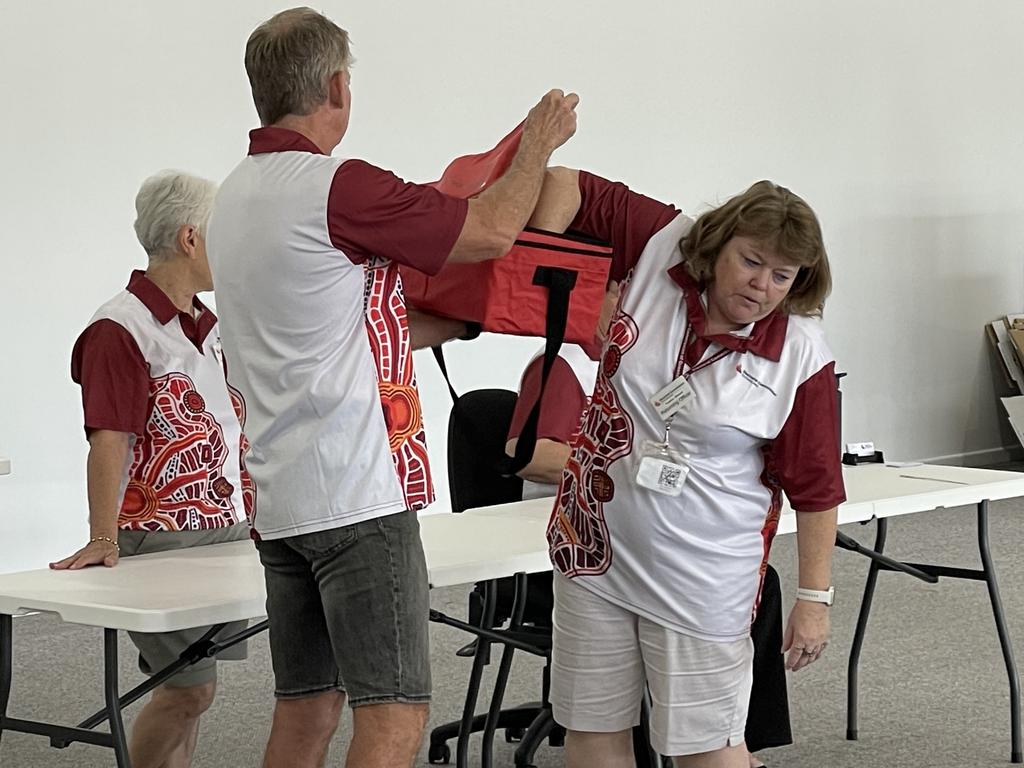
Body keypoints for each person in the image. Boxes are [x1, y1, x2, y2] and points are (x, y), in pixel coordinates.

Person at [204, 8, 579, 768]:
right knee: (396, 715)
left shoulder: (234, 199)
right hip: (357, 498)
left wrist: (467, 324)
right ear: (337, 86)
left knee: (306, 708)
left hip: (283, 498)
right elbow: (490, 230)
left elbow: (337, 329)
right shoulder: (337, 186)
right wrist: (536, 144)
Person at [531, 167, 845, 768]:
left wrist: (814, 598)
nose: (761, 286)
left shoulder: (800, 356)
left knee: (707, 748)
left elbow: (817, 489)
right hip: (593, 548)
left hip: (702, 575)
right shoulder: (661, 245)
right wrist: (574, 288)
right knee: (591, 730)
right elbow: (559, 182)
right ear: (718, 242)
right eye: (751, 261)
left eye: (782, 276)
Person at [505, 347, 792, 768]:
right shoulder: (569, 364)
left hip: (656, 539)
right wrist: (621, 465)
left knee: (760, 582)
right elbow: (528, 453)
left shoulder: (669, 356)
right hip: (581, 546)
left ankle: (739, 738)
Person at [50, 171, 252, 768]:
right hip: (162, 537)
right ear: (192, 239)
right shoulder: (120, 329)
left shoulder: (207, 325)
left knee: (192, 691)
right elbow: (108, 440)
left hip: (223, 529)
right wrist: (103, 536)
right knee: (188, 689)